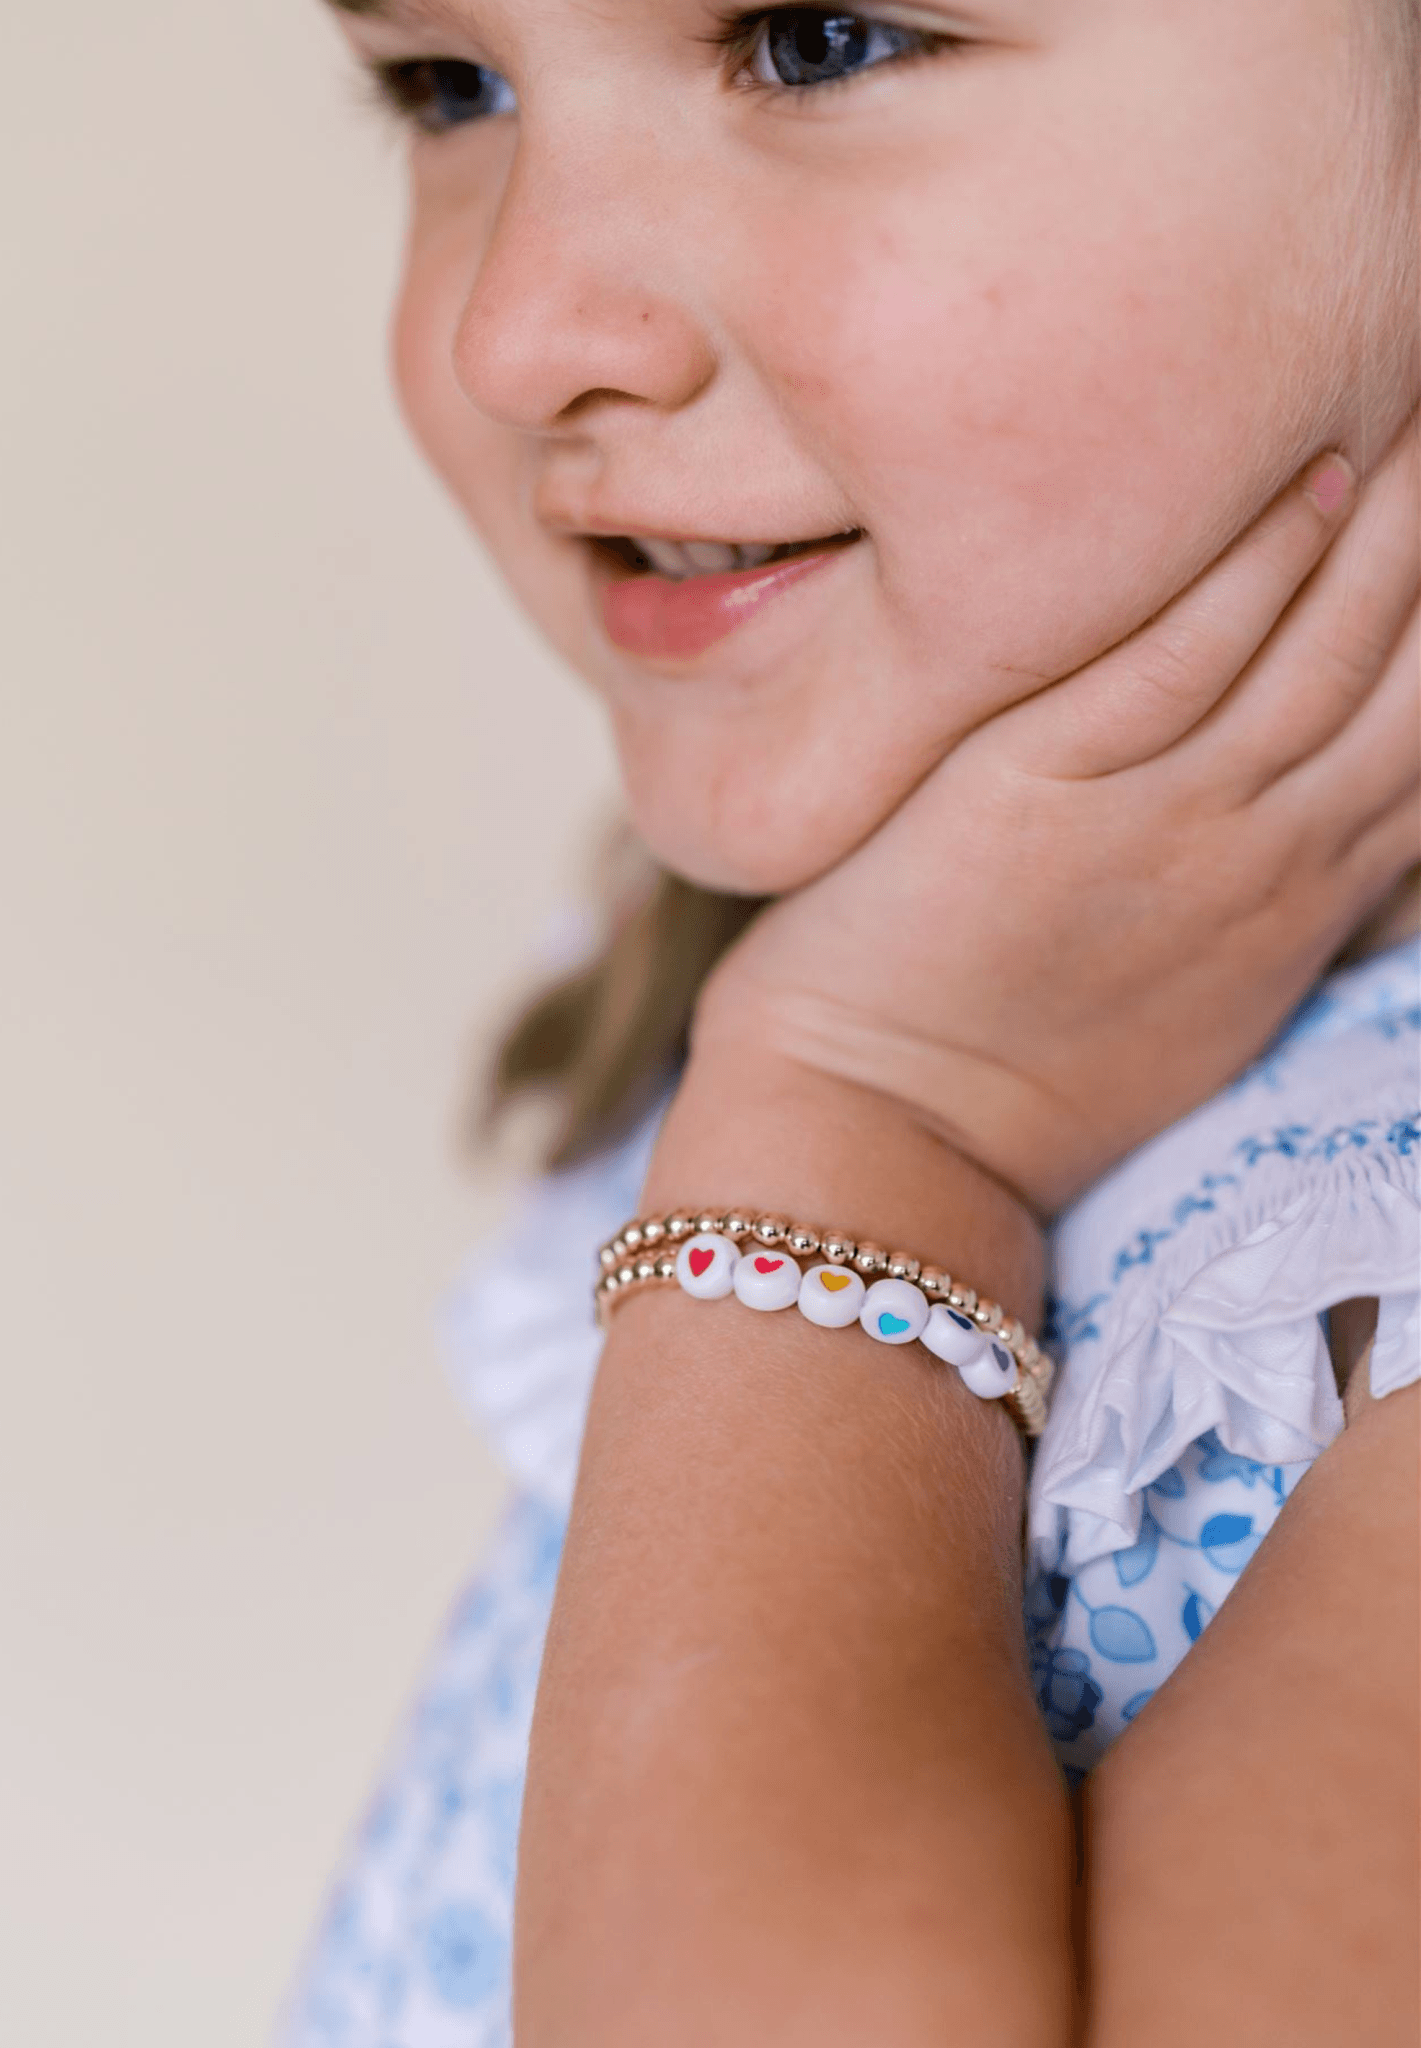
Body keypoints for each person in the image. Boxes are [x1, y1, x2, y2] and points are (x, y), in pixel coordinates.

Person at [276, 1, 1420, 2040]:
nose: (520, 332)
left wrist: (881, 1118)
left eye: (815, 40)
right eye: (448, 85)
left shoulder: (914, 1068)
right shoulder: (873, 948)